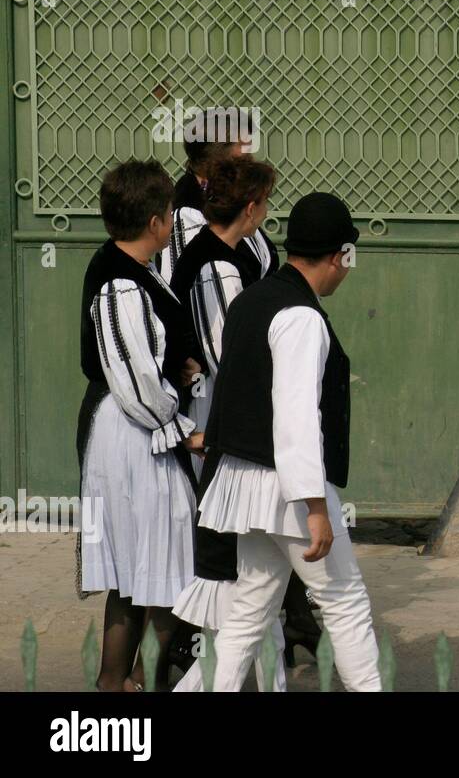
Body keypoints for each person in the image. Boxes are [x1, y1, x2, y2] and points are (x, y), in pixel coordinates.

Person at [193, 192, 382, 691]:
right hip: (287, 488)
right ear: (340, 255)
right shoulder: (301, 317)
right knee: (345, 601)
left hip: (242, 481)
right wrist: (315, 506)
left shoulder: (253, 300)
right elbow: (296, 418)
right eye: (349, 258)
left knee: (250, 608)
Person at [76, 159, 205, 690]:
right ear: (156, 222)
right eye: (170, 211)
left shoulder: (137, 272)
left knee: (141, 568)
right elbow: (136, 384)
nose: (174, 219)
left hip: (139, 431)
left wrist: (182, 362)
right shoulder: (120, 284)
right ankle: (128, 683)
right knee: (162, 565)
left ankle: (127, 683)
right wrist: (183, 426)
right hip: (136, 436)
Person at [167, 158, 292, 692]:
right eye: (266, 199)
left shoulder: (234, 254)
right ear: (251, 206)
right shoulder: (216, 266)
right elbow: (229, 354)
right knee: (243, 590)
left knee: (253, 593)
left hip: (230, 416)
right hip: (229, 420)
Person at [158, 106, 276, 286]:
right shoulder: (187, 212)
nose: (250, 155)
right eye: (243, 145)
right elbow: (191, 290)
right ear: (216, 154)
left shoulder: (230, 198)